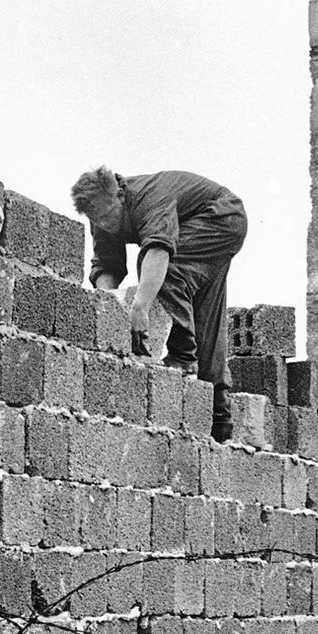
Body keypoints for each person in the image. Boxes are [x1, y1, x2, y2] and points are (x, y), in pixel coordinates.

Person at [71, 166, 248, 443]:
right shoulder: (101, 213)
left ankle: (182, 358)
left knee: (164, 270)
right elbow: (107, 265)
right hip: (204, 225)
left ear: (119, 195)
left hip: (222, 216)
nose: (105, 225)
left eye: (107, 217)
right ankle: (219, 418)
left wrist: (140, 308)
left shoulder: (147, 198)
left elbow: (159, 250)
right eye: (97, 221)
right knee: (205, 316)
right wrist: (108, 308)